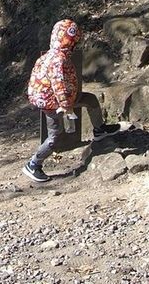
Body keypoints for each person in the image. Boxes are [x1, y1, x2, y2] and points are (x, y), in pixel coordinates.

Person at [22, 19, 121, 183]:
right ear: (70, 41)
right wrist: (66, 106)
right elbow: (58, 84)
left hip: (63, 98)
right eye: (75, 41)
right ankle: (33, 164)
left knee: (90, 99)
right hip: (53, 103)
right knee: (54, 136)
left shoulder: (51, 55)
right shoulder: (58, 60)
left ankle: (99, 129)